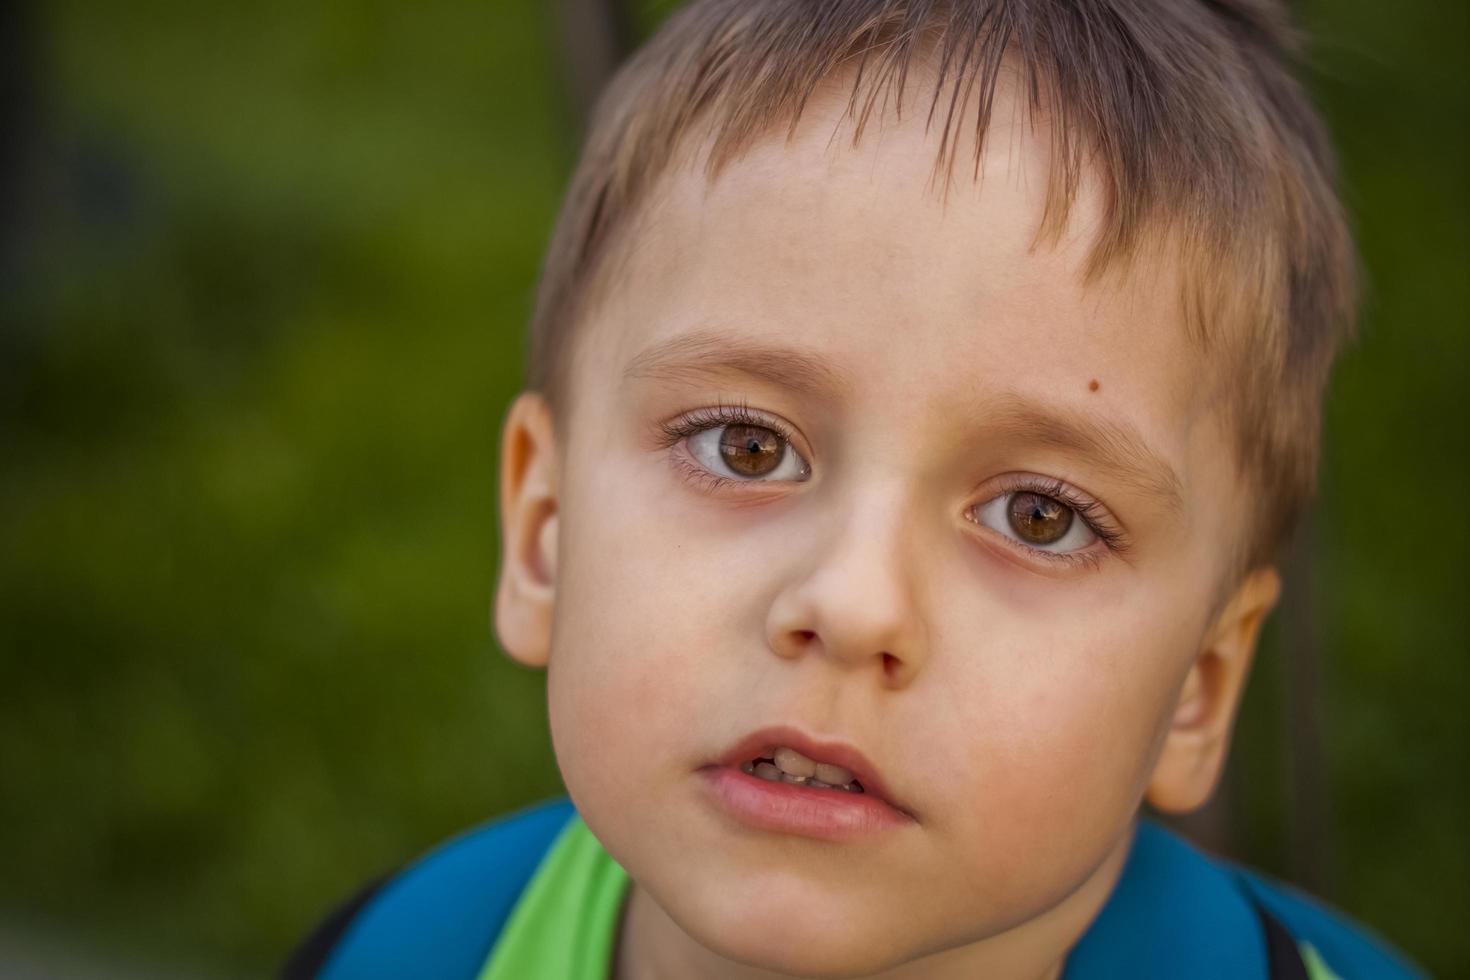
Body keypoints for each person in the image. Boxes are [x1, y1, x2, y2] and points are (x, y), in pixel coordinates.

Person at [286, 1, 1427, 977]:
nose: (854, 602)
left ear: (1198, 683)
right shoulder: (406, 950)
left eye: (1040, 515)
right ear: (544, 533)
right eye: (745, 445)